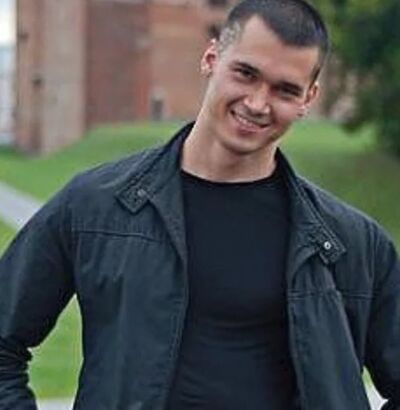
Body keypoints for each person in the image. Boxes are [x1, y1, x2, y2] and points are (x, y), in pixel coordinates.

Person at [0, 0, 399, 408]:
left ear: (308, 98)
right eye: (246, 74)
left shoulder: (353, 244)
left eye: (285, 90)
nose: (257, 103)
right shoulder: (95, 206)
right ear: (212, 58)